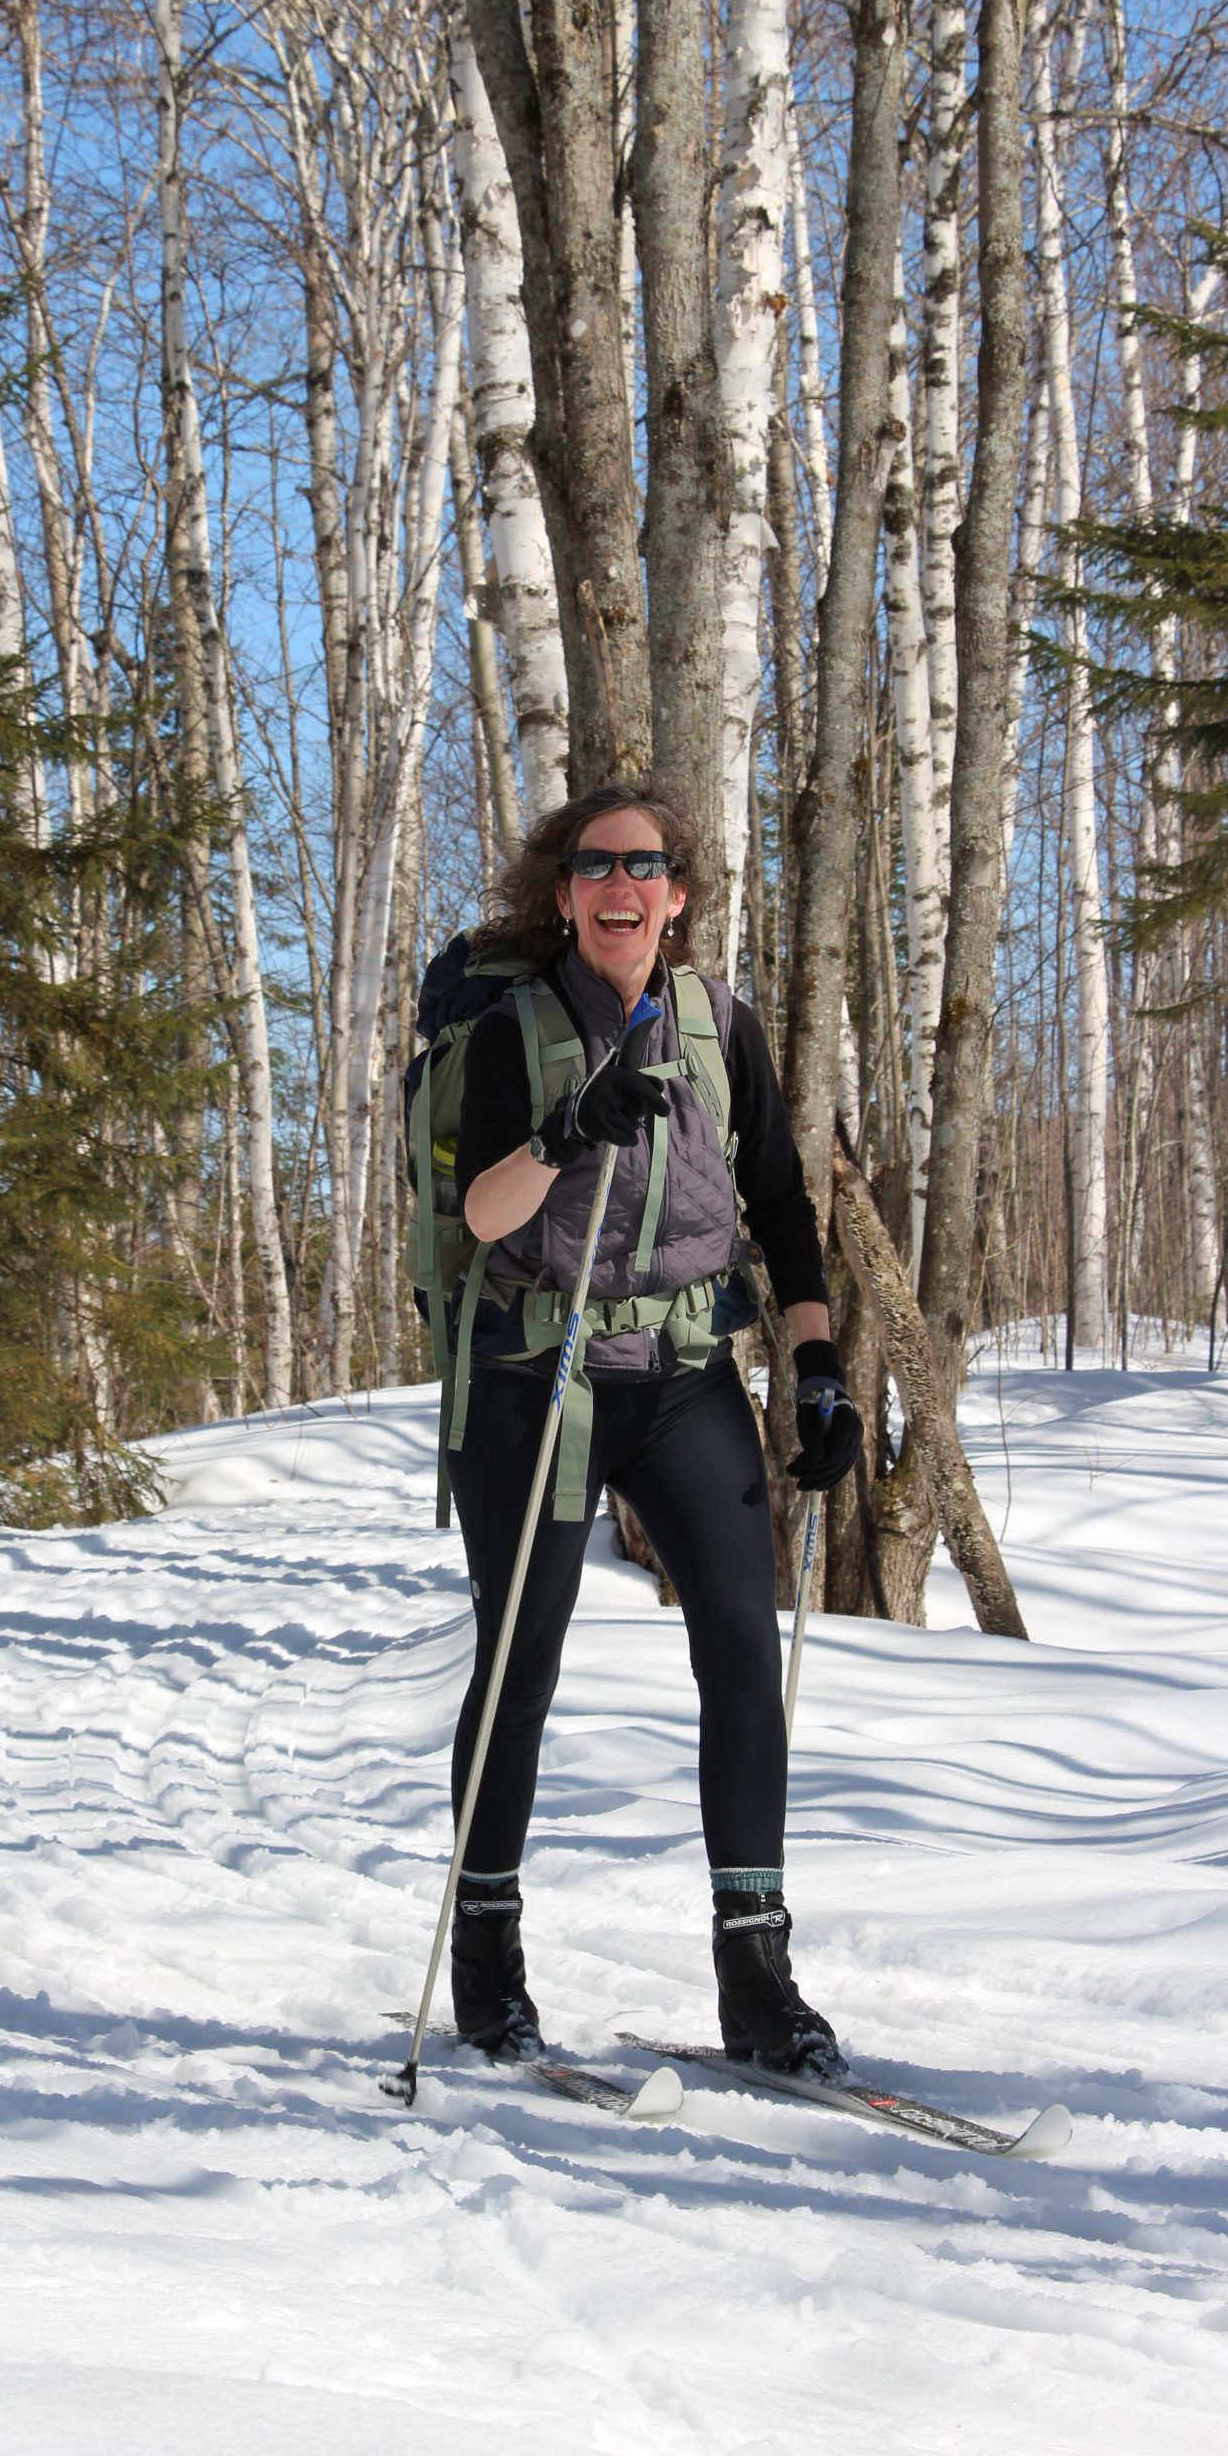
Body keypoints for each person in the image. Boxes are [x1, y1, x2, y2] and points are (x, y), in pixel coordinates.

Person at [442, 777, 863, 2076]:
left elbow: (784, 1204)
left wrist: (817, 1367)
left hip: (684, 1375)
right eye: (594, 867)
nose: (621, 887)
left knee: (742, 1643)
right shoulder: (517, 1031)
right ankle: (487, 1974)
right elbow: (483, 1219)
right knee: (524, 1666)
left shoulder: (718, 1025)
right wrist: (571, 1129)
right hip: (539, 1373)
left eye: (646, 866)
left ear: (678, 895)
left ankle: (757, 1978)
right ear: (565, 896)